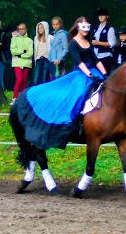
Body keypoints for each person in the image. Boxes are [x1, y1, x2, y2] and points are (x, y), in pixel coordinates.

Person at [11, 16, 107, 155]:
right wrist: (90, 75)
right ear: (78, 27)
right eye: (83, 27)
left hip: (94, 71)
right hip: (81, 74)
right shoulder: (73, 43)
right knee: (79, 94)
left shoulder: (88, 42)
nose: (86, 30)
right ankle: (77, 121)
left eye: (88, 27)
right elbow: (78, 61)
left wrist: (105, 74)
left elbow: (96, 60)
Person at [10, 23, 33, 104]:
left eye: (23, 29)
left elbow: (30, 53)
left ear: (26, 29)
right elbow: (13, 51)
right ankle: (15, 97)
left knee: (24, 80)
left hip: (26, 62)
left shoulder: (29, 40)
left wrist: (20, 55)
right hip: (17, 62)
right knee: (19, 79)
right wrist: (23, 51)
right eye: (19, 29)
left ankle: (23, 98)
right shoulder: (14, 39)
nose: (21, 30)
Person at [90, 8, 116, 73]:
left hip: (105, 55)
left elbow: (112, 43)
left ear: (107, 16)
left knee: (104, 74)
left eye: (103, 15)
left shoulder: (110, 28)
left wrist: (98, 43)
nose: (101, 17)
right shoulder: (96, 27)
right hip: (95, 55)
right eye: (99, 16)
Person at [0, 18, 12, 91]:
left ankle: (2, 91)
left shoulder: (2, 34)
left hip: (0, 59)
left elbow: (4, 46)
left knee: (0, 77)